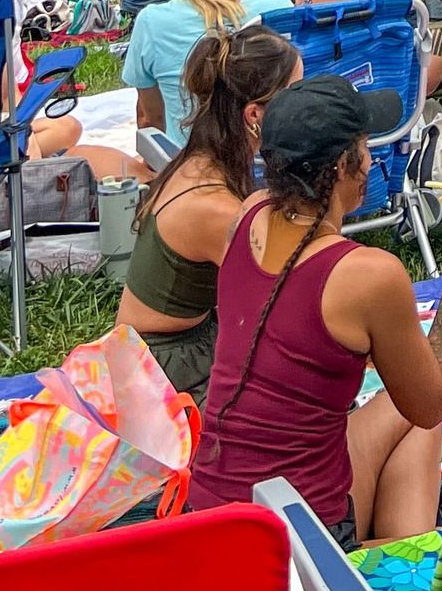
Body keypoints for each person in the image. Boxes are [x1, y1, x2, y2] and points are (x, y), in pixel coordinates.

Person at [188, 78, 442, 544]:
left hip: (213, 511)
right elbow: (430, 404)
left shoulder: (248, 214)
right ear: (345, 166)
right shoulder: (366, 275)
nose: (371, 160)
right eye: (366, 147)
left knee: (394, 406)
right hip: (299, 536)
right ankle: (398, 564)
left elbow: (289, 338)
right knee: (419, 416)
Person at [116, 28, 302, 394]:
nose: (308, 105)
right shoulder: (215, 207)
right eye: (297, 94)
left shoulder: (206, 161)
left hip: (180, 343)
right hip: (162, 372)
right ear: (254, 115)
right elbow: (291, 301)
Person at [123, 0, 290, 144]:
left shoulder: (151, 23)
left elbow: (150, 119)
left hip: (191, 163)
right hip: (272, 156)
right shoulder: (278, 5)